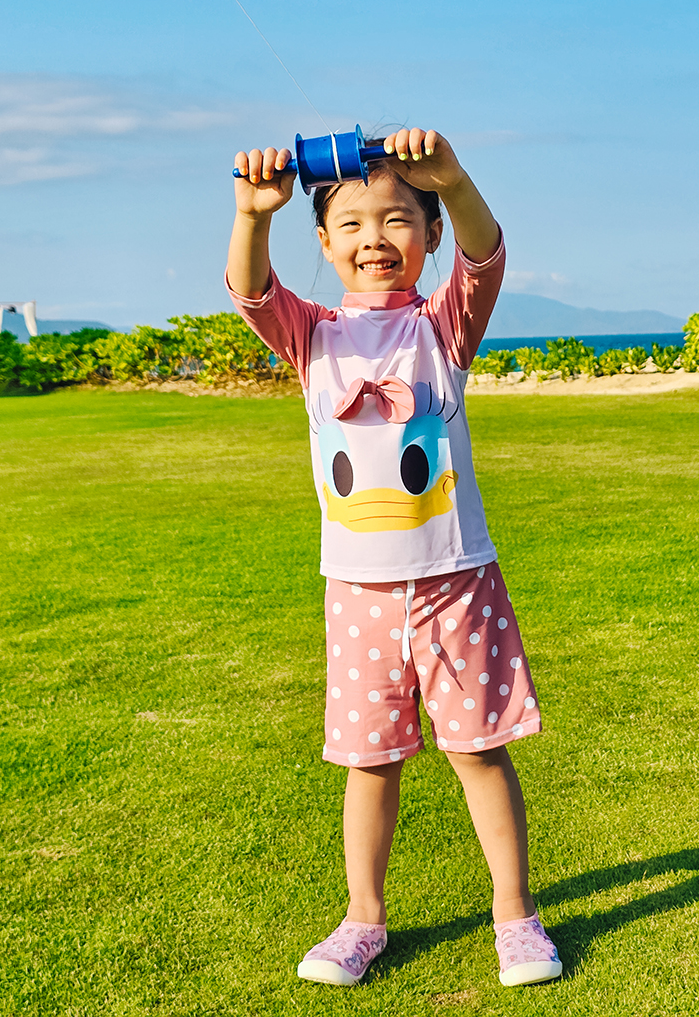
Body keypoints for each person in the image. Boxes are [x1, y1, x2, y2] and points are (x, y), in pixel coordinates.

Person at [226, 127, 561, 989]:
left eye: (400, 219)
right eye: (354, 224)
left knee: (478, 751)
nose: (376, 238)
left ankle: (515, 918)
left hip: (455, 581)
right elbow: (251, 291)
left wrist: (450, 176)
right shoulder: (311, 338)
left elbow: (486, 256)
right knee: (368, 762)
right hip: (360, 594)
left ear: (430, 233)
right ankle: (362, 921)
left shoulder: (442, 327)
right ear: (326, 244)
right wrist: (251, 212)